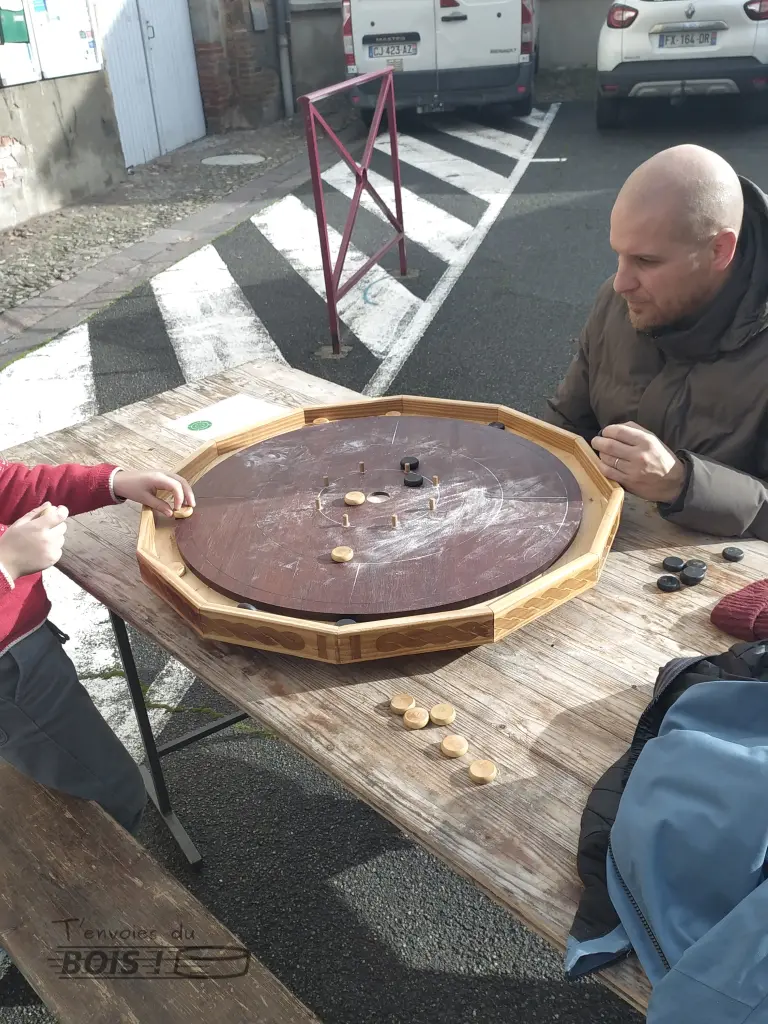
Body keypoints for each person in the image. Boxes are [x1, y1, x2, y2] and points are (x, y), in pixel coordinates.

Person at [542, 144, 768, 541]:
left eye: (646, 261)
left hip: (715, 587)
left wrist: (682, 483)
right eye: (619, 255)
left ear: (720, 250)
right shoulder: (617, 302)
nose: (620, 283)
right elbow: (568, 425)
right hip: (607, 558)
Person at [0, 458, 195, 835]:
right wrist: (7, 565)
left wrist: (112, 481)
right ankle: (117, 875)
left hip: (23, 649)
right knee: (111, 792)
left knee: (73, 760)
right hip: (11, 679)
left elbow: (8, 484)